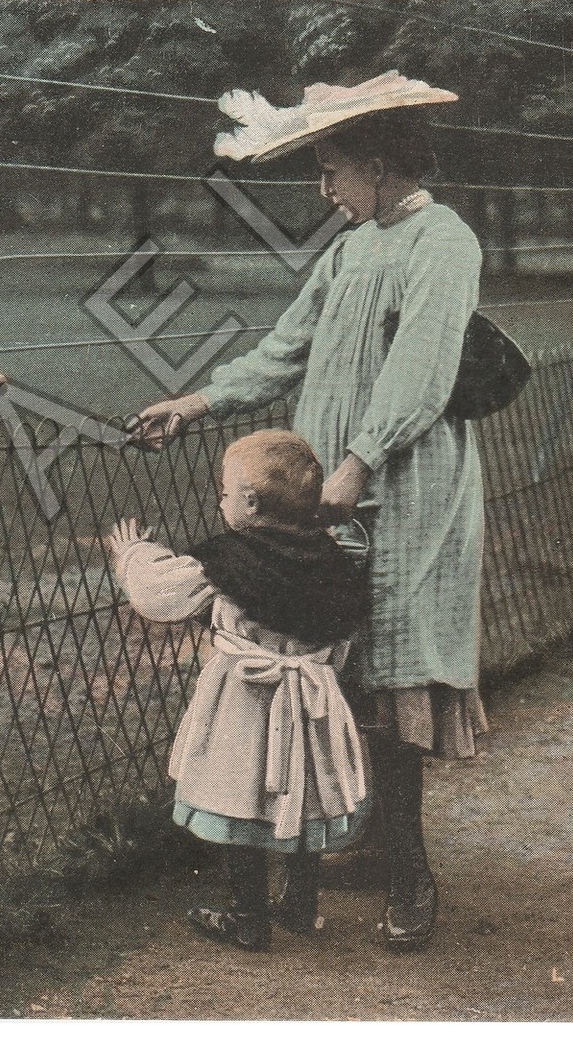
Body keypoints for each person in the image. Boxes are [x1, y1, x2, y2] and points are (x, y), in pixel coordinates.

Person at [129, 72, 487, 949]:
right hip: (333, 494)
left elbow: (422, 370)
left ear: (377, 165)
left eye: (330, 171)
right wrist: (198, 401)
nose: (323, 189)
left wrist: (361, 460)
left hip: (403, 490)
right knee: (324, 665)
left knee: (392, 670)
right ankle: (348, 838)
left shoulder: (442, 243)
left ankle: (410, 875)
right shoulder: (350, 247)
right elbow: (285, 346)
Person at [107, 430, 370, 951]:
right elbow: (345, 640)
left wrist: (132, 552)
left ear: (249, 502)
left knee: (239, 798)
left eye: (225, 491)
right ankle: (300, 903)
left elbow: (158, 594)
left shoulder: (228, 563)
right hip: (313, 699)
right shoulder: (336, 563)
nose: (220, 499)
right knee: (306, 794)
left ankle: (248, 917)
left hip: (243, 702)